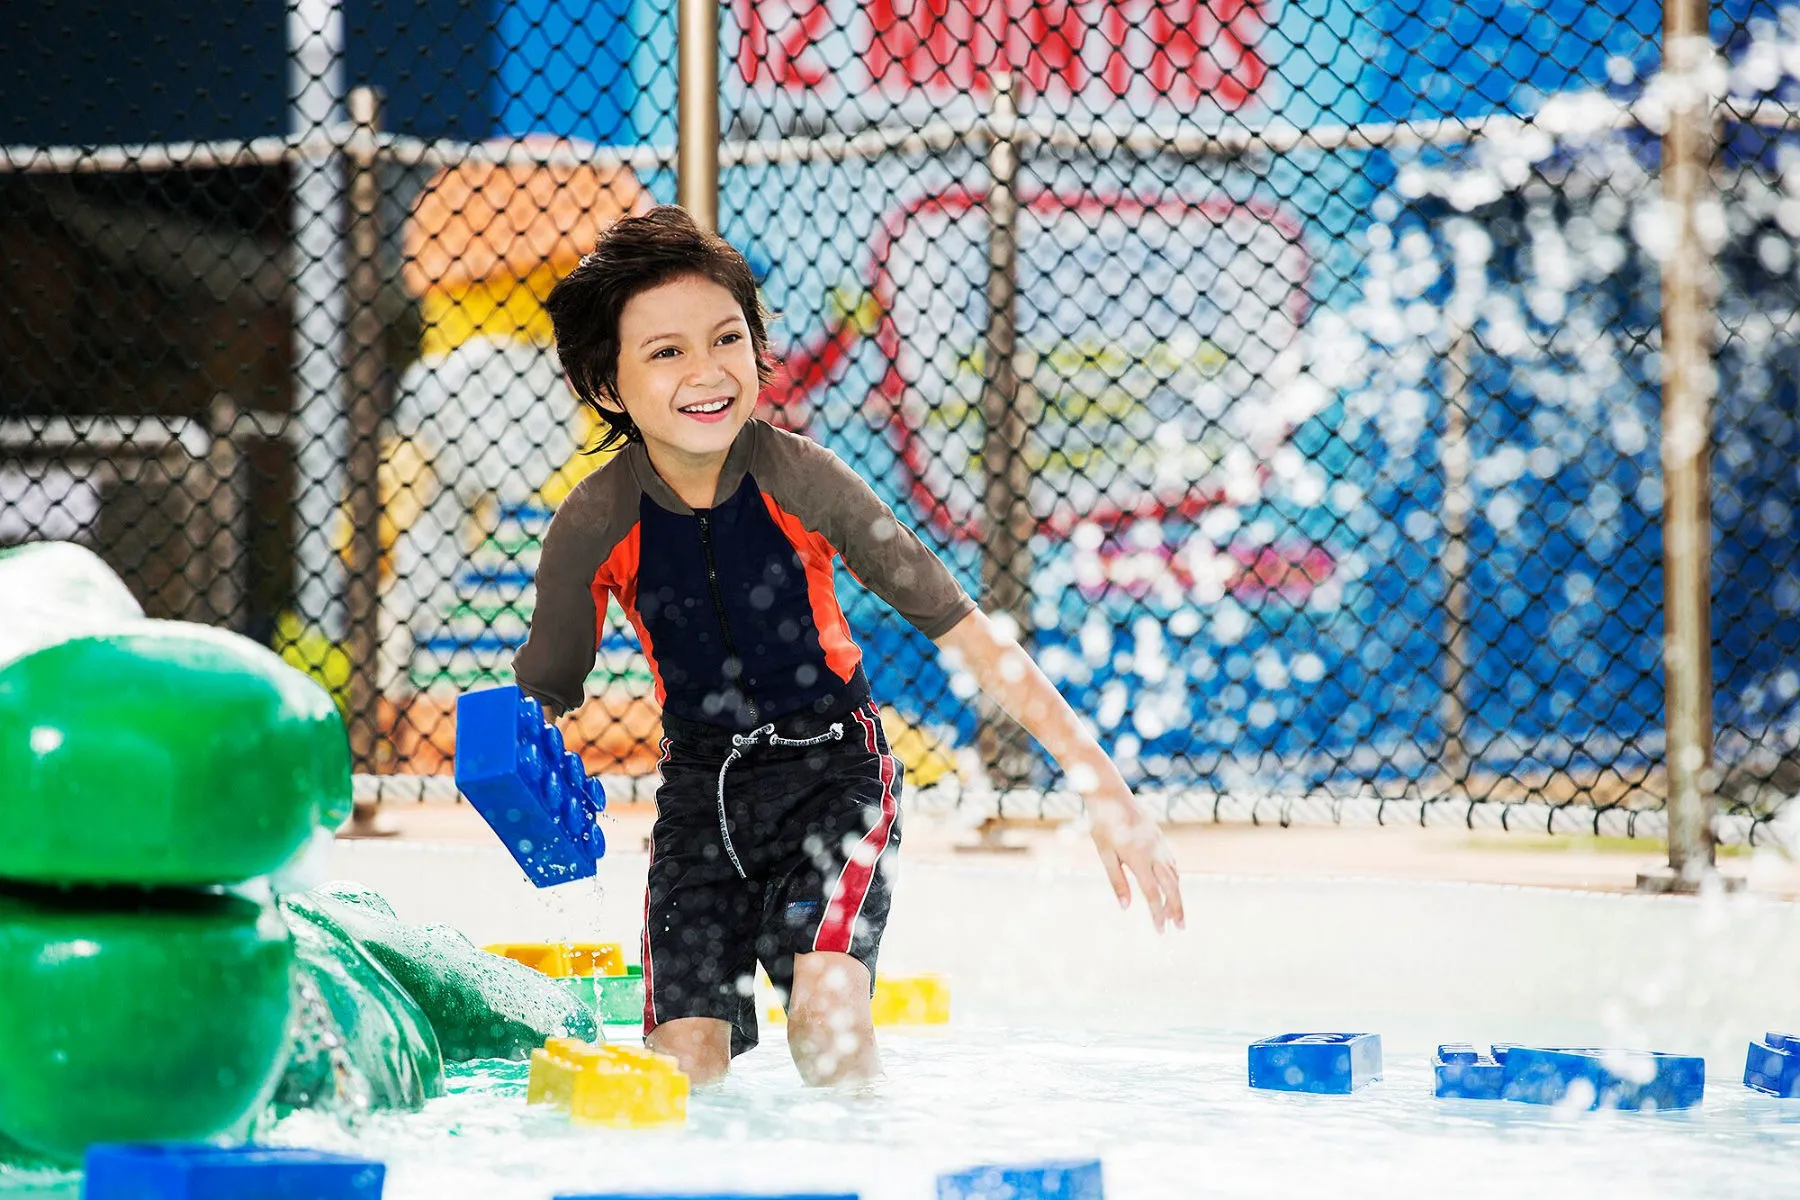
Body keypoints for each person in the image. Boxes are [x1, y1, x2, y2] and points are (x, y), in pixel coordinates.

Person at [512, 205, 1184, 1088]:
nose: (708, 373)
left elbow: (966, 633)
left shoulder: (804, 479)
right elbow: (546, 690)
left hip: (834, 774)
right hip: (699, 802)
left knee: (827, 1008)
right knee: (683, 1063)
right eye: (666, 353)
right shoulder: (594, 521)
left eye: (727, 339)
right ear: (607, 385)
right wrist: (515, 764)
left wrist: (1103, 786)